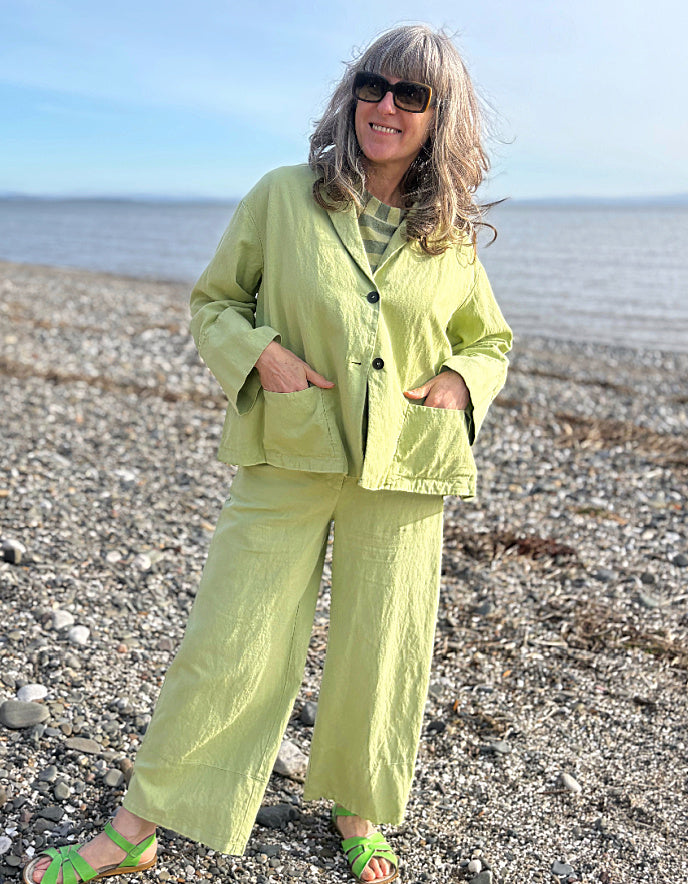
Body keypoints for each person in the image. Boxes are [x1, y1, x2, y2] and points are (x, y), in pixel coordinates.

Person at [24, 23, 512, 884]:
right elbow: (216, 302)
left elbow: (491, 341)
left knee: (384, 648)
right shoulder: (285, 195)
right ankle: (137, 826)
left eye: (411, 95)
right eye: (372, 84)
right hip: (289, 453)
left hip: (403, 470)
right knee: (231, 637)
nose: (384, 106)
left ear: (442, 117)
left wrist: (459, 384)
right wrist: (263, 357)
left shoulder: (452, 237)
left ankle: (359, 809)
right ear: (351, 94)